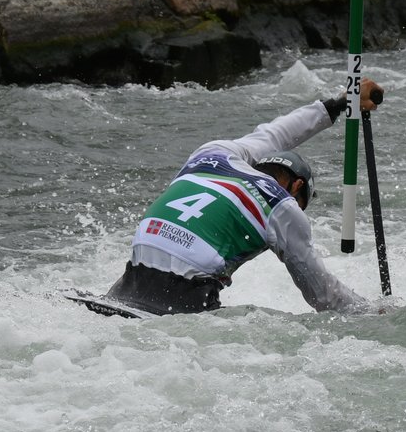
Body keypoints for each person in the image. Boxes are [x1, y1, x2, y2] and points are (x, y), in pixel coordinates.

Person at [101, 80, 385, 316]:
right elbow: (324, 297)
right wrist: (377, 314)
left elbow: (276, 133)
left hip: (129, 281)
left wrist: (338, 104)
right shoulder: (282, 206)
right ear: (296, 186)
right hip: (183, 298)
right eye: (302, 204)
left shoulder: (211, 153)